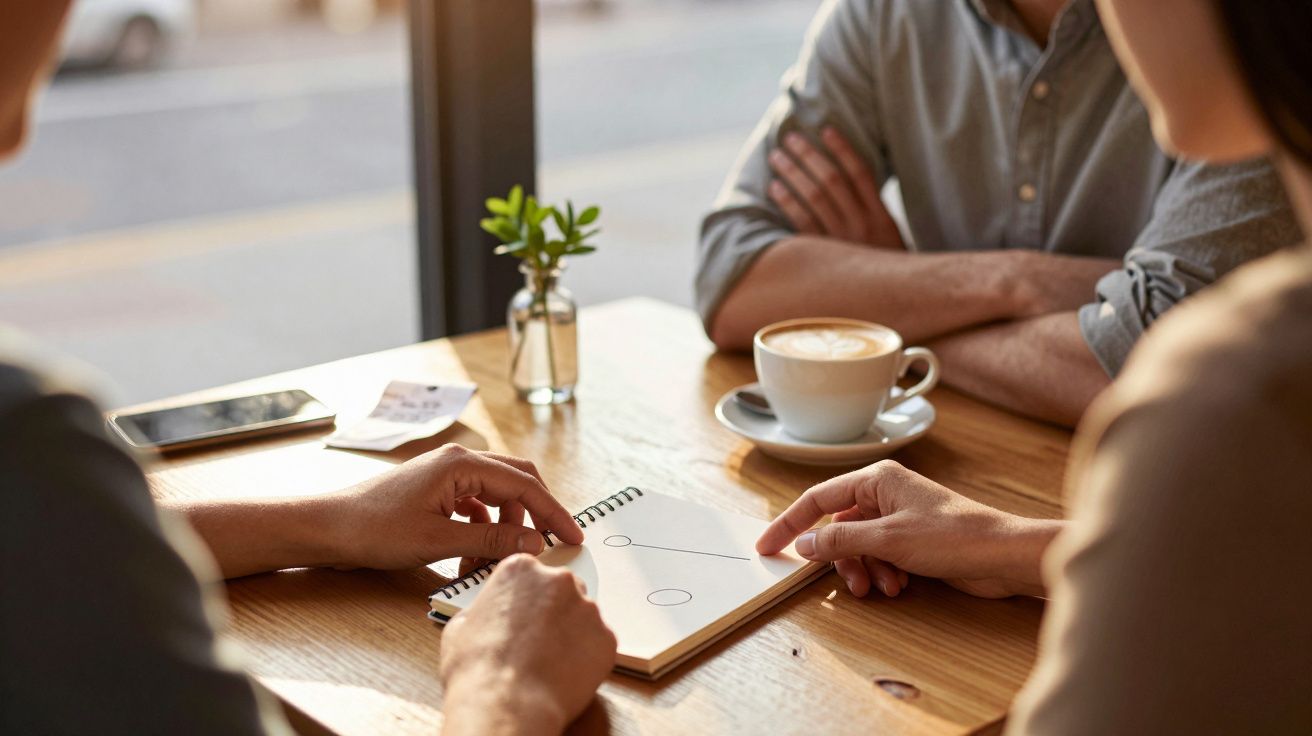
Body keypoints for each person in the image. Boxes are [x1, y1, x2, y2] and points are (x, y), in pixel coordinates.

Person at [0, 4, 616, 734]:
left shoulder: (37, 487)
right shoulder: (26, 445)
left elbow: (59, 552)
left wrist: (333, 523)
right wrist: (509, 688)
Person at [757, 0, 1312, 730]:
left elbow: (1132, 354)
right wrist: (1008, 547)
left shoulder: (1220, 404)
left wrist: (899, 299)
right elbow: (735, 269)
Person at [697, 0, 1302, 426]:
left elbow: (1153, 366)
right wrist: (1014, 281)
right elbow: (731, 280)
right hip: (959, 484)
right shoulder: (882, 13)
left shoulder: (1229, 36)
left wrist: (886, 309)